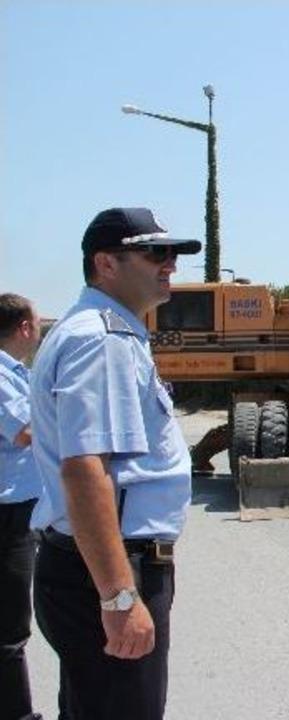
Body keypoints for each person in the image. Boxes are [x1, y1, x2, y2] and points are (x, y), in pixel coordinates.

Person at [30, 207, 201, 720]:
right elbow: (86, 469)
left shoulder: (100, 331)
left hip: (95, 568)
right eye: (155, 253)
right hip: (109, 571)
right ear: (105, 263)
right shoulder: (103, 340)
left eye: (172, 253)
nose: (170, 264)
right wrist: (120, 598)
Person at [0, 293, 43, 720]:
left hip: (16, 509)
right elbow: (26, 432)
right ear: (24, 328)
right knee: (10, 627)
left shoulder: (14, 373)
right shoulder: (1, 376)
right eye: (38, 323)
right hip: (8, 515)